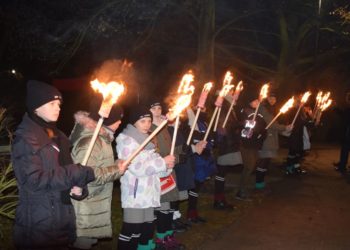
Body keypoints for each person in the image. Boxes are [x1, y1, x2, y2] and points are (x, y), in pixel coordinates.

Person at [11, 80, 96, 249]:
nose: (58, 107)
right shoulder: (26, 138)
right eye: (51, 103)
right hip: (39, 225)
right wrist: (75, 172)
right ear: (36, 107)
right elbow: (33, 181)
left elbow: (68, 175)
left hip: (62, 220)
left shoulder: (60, 138)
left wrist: (79, 188)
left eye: (59, 103)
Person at [69, 96, 127, 249]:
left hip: (94, 202)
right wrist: (116, 170)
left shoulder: (103, 138)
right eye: (118, 118)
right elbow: (86, 175)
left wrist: (116, 164)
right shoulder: (91, 142)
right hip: (86, 206)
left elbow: (100, 166)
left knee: (89, 242)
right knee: (83, 243)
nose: (121, 121)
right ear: (108, 119)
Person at [116, 105, 175, 250]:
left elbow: (156, 171)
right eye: (143, 121)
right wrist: (162, 162)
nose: (147, 124)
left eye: (149, 121)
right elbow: (137, 168)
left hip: (149, 194)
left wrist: (167, 166)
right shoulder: (126, 140)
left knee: (147, 228)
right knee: (132, 229)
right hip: (135, 195)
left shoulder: (148, 141)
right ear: (134, 123)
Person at [255, 92, 292, 192]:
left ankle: (260, 182)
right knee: (263, 161)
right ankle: (258, 183)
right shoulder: (263, 108)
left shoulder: (271, 109)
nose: (272, 100)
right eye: (270, 98)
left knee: (266, 162)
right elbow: (271, 124)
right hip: (265, 139)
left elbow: (274, 123)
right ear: (266, 98)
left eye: (274, 99)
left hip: (270, 138)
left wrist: (284, 128)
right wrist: (285, 127)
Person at [236, 89, 267, 200]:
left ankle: (243, 189)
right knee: (249, 166)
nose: (257, 102)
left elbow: (262, 127)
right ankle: (241, 191)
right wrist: (249, 125)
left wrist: (262, 133)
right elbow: (240, 125)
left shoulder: (259, 113)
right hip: (246, 144)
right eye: (254, 101)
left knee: (252, 166)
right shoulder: (245, 111)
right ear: (250, 102)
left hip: (255, 144)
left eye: (257, 101)